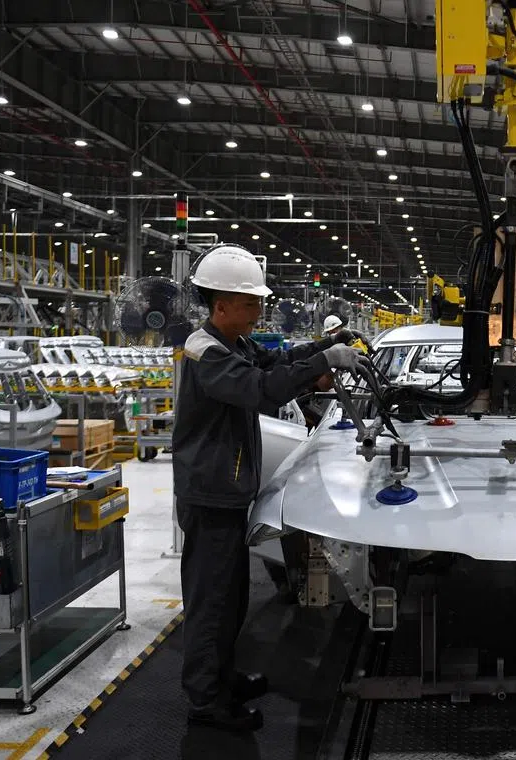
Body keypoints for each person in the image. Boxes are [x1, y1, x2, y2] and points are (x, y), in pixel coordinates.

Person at [172, 244, 367, 732]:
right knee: (211, 601)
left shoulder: (234, 344)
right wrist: (322, 359)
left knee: (232, 596)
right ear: (221, 305)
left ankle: (221, 678)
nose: (259, 310)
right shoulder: (206, 353)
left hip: (226, 491)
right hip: (209, 495)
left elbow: (276, 359)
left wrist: (326, 347)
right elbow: (261, 389)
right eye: (251, 302)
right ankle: (206, 701)